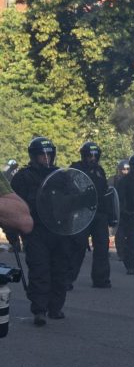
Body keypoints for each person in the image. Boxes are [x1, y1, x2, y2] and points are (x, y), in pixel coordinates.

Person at [9, 137, 73, 325]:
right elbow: (13, 206)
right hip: (35, 230)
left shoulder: (61, 176)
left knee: (60, 270)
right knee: (39, 270)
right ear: (33, 156)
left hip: (59, 230)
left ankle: (55, 307)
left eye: (48, 155)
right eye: (41, 156)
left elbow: (72, 202)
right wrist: (13, 230)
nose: (46, 159)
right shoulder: (23, 177)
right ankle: (39, 310)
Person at [68, 142, 114, 288]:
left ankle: (101, 279)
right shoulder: (76, 169)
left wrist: (111, 214)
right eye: (89, 156)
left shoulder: (100, 170)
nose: (92, 159)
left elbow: (106, 193)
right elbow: (70, 191)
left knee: (102, 247)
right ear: (83, 155)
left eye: (95, 156)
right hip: (81, 212)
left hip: (99, 213)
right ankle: (67, 279)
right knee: (77, 247)